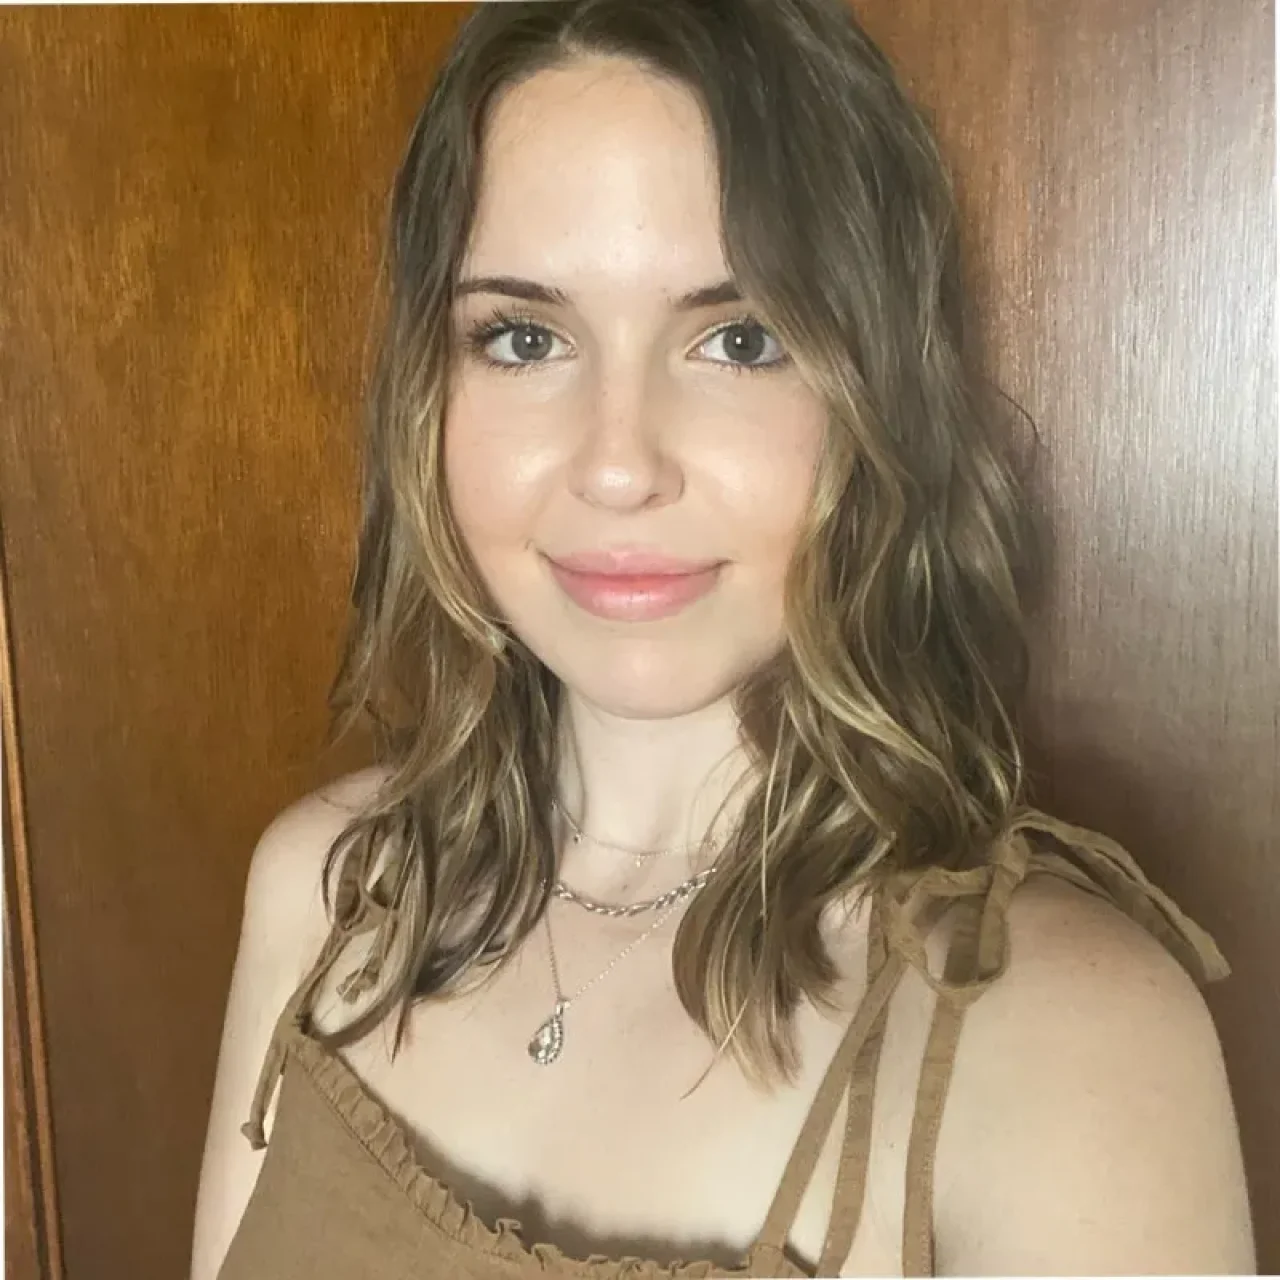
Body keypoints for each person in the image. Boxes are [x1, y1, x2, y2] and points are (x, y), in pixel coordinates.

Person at [190, 1, 1257, 1276]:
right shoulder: (328, 894)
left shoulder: (1062, 1042)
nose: (618, 464)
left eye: (738, 339)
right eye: (524, 337)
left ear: (875, 397)